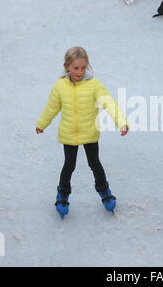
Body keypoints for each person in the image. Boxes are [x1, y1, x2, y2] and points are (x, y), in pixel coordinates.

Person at [35, 47, 128, 217]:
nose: (80, 71)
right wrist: (42, 124)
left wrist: (121, 122)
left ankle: (104, 191)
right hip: (69, 134)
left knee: (95, 163)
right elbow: (51, 108)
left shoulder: (94, 85)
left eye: (83, 67)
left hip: (89, 133)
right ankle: (63, 192)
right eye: (76, 68)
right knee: (69, 165)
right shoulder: (60, 86)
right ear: (67, 67)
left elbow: (109, 104)